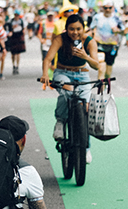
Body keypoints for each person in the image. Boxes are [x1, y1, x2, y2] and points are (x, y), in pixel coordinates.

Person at [41, 14, 101, 163]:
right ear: (66, 29)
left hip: (83, 75)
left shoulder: (89, 41)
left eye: (78, 29)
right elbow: (48, 58)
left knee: (85, 110)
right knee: (65, 92)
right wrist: (45, 75)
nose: (75, 32)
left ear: (84, 28)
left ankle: (86, 149)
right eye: (71, 29)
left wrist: (85, 57)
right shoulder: (59, 39)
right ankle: (60, 122)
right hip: (63, 73)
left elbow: (97, 65)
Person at [91, 3, 124, 79]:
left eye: (109, 8)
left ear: (113, 8)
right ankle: (101, 88)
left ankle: (105, 84)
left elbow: (124, 31)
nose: (108, 10)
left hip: (112, 47)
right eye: (106, 8)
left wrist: (117, 30)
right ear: (103, 8)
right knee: (101, 68)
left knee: (108, 72)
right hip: (100, 46)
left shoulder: (116, 18)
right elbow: (92, 28)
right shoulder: (97, 17)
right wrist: (94, 37)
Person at [6, 9, 27, 74]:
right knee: (13, 53)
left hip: (19, 37)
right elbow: (8, 28)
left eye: (17, 15)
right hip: (13, 37)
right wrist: (12, 28)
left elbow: (23, 28)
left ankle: (17, 66)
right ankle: (13, 65)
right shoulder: (11, 21)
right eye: (15, 15)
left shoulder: (21, 21)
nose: (16, 16)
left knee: (18, 53)